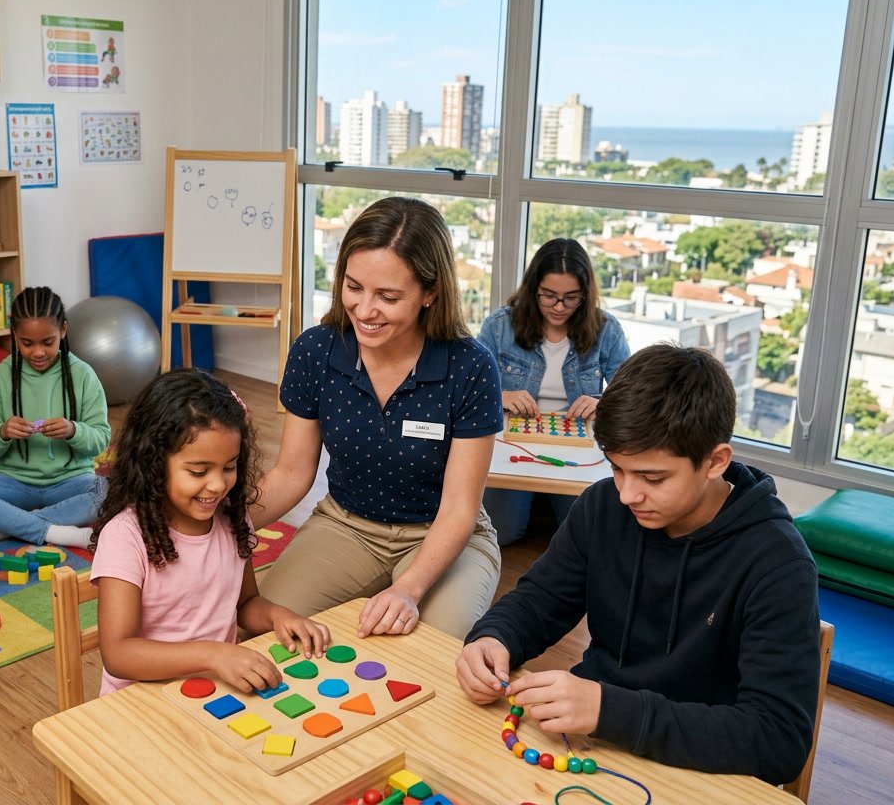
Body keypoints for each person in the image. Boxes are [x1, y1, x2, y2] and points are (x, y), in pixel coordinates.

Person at [456, 344, 820, 784]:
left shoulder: (778, 563)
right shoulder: (602, 507)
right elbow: (540, 600)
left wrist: (610, 710)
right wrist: (494, 638)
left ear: (715, 461)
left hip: (704, 766)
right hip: (591, 744)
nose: (627, 495)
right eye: (617, 468)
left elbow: (778, 740)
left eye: (652, 477)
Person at [254, 196, 504, 641]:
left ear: (431, 293)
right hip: (346, 525)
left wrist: (408, 589)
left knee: (436, 655)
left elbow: (460, 509)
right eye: (354, 287)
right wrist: (219, 524)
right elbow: (292, 473)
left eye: (388, 297)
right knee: (267, 635)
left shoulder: (471, 367)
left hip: (442, 533)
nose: (365, 311)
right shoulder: (315, 351)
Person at [90, 368, 331, 696]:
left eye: (229, 467)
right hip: (141, 702)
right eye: (199, 470)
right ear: (153, 463)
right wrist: (213, 653)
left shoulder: (233, 521)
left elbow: (245, 603)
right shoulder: (125, 537)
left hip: (214, 692)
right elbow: (118, 654)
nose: (218, 484)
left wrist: (277, 615)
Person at [478, 238, 628, 546]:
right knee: (501, 532)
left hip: (576, 446)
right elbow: (469, 390)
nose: (559, 307)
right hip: (513, 443)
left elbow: (634, 394)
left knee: (586, 538)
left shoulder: (606, 329)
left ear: (585, 295)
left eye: (571, 298)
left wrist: (603, 403)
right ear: (534, 289)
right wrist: (502, 398)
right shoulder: (499, 326)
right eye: (549, 296)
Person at [0, 286, 111, 549]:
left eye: (48, 342)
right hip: (13, 484)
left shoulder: (83, 375)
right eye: (27, 343)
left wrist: (73, 430)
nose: (38, 353)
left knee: (113, 492)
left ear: (63, 331)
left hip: (72, 481)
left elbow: (100, 440)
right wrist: (2, 432)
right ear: (14, 335)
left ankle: (6, 528)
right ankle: (56, 531)